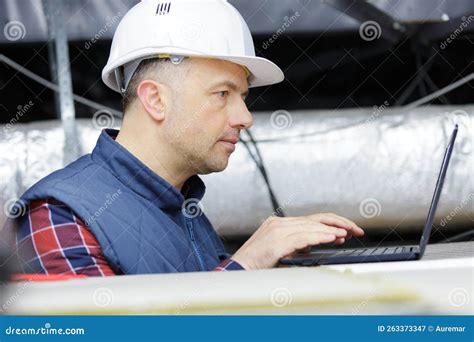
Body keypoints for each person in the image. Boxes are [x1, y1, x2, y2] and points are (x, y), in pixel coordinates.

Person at [7, 0, 364, 277]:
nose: (245, 118)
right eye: (223, 93)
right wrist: (249, 263)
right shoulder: (61, 218)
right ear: (156, 99)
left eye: (243, 97)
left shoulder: (181, 207)